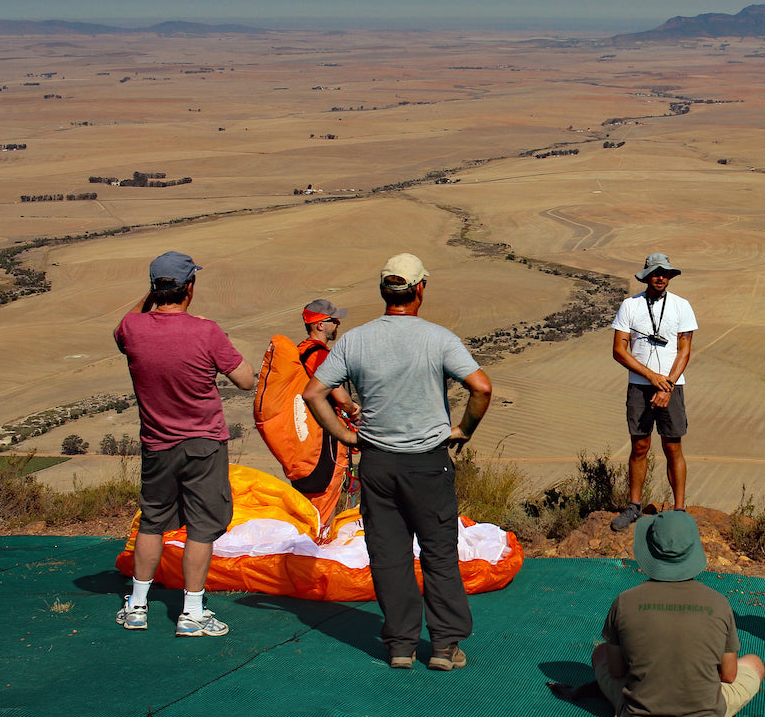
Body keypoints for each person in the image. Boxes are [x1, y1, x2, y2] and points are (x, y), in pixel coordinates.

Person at [302, 253, 492, 671]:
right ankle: (444, 647)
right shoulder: (438, 338)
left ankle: (401, 645)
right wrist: (463, 430)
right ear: (420, 289)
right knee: (438, 554)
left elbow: (314, 393)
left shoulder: (355, 340)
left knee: (389, 556)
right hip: (428, 463)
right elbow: (481, 388)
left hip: (377, 464)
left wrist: (345, 434)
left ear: (384, 292)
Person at [114, 251, 256, 637]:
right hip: (203, 445)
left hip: (157, 444)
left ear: (154, 288)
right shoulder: (206, 332)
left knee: (152, 522)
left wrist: (150, 297)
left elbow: (127, 325)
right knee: (201, 528)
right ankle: (192, 611)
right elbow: (246, 380)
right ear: (189, 287)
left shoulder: (131, 328)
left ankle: (137, 605)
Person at [557, 510, 765, 717]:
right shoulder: (719, 603)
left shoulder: (624, 602)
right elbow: (729, 675)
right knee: (754, 663)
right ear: (694, 549)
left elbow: (616, 671)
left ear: (648, 551)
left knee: (600, 653)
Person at [610, 253, 698, 531]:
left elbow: (684, 350)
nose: (660, 277)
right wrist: (652, 378)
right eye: (655, 272)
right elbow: (618, 350)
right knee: (639, 446)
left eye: (665, 273)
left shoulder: (682, 306)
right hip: (639, 386)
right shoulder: (630, 306)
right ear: (646, 275)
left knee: (673, 446)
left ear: (670, 277)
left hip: (672, 386)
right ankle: (634, 506)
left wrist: (667, 385)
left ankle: (679, 509)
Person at [293, 298, 359, 527]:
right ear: (319, 324)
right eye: (334, 320)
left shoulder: (300, 350)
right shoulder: (318, 354)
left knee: (312, 502)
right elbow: (339, 395)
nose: (338, 324)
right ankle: (318, 552)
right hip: (325, 440)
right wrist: (353, 410)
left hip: (308, 438)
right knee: (325, 499)